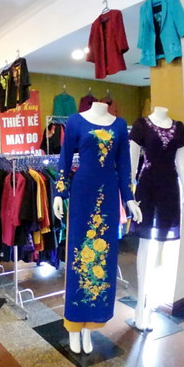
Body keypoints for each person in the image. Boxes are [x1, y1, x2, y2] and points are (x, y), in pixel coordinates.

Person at [53, 102, 142, 354]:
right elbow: (64, 159)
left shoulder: (120, 125)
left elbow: (124, 165)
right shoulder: (75, 121)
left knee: (102, 259)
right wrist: (59, 192)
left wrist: (129, 198)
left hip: (108, 196)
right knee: (78, 258)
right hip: (82, 192)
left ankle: (90, 327)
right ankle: (73, 325)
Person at [129, 106, 184, 331]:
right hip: (147, 187)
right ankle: (140, 305)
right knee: (146, 243)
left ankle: (150, 302)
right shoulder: (141, 125)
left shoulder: (178, 128)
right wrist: (129, 193)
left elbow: (181, 162)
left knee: (161, 247)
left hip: (170, 188)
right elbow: (132, 162)